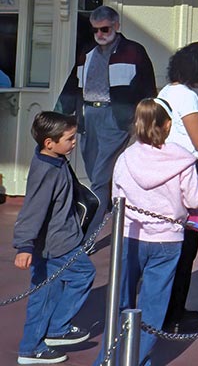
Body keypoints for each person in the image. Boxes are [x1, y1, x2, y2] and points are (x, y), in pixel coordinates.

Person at [110, 99, 198, 366]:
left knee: (121, 300)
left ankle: (110, 356)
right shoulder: (182, 158)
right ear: (167, 125)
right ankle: (138, 358)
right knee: (153, 307)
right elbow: (194, 199)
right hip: (168, 237)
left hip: (131, 234)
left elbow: (116, 197)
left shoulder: (125, 157)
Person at [55, 5, 157, 237]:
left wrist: (145, 120)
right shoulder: (87, 51)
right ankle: (109, 209)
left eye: (104, 29)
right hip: (87, 116)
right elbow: (73, 85)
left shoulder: (134, 51)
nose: (99, 34)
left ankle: (87, 237)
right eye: (95, 30)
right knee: (95, 174)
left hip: (117, 118)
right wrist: (59, 115)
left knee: (100, 177)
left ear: (116, 26)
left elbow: (148, 89)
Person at [13, 112, 94, 365]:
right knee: (83, 274)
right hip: (58, 243)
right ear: (50, 142)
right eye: (69, 139)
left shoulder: (54, 160)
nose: (73, 143)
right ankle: (57, 329)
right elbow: (33, 209)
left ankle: (31, 347)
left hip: (54, 242)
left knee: (44, 294)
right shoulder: (47, 171)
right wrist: (24, 246)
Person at [156, 42, 198, 333]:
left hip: (166, 169)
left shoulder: (166, 92)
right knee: (186, 248)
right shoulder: (187, 96)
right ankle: (175, 313)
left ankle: (167, 309)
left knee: (172, 246)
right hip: (187, 170)